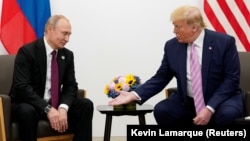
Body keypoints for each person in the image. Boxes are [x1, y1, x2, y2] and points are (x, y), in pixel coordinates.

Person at [109, 5, 244, 126]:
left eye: (178, 26)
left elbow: (231, 80)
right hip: (188, 101)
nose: (174, 31)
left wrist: (209, 108)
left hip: (221, 100)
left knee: (227, 115)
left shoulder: (224, 43)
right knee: (162, 111)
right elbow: (161, 77)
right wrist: (134, 94)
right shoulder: (172, 46)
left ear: (194, 28)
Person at [9, 14, 93, 141]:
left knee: (85, 105)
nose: (67, 39)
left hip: (54, 103)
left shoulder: (67, 55)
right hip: (29, 103)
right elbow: (22, 87)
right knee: (26, 111)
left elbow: (71, 85)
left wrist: (63, 108)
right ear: (50, 29)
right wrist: (47, 109)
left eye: (69, 34)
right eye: (64, 33)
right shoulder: (27, 52)